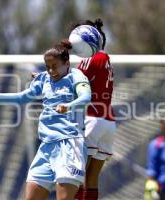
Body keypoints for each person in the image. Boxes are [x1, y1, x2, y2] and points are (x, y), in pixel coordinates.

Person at [0, 40, 92, 200]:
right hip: (46, 147)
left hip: (70, 144)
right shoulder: (44, 79)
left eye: (55, 66)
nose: (51, 71)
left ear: (67, 63)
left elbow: (86, 97)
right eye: (48, 67)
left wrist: (68, 106)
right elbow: (22, 97)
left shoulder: (76, 76)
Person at [72, 18, 116, 200]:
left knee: (77, 176)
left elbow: (73, 84)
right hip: (108, 122)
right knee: (92, 178)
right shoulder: (105, 59)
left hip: (91, 119)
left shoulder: (92, 58)